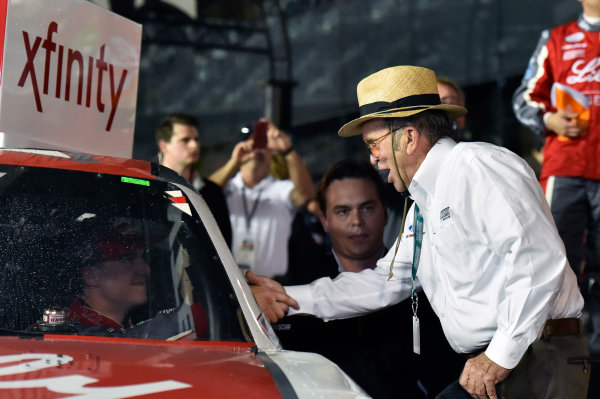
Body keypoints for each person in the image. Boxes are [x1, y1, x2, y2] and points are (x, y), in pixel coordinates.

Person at [249, 65, 589, 398]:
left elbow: (537, 262)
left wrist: (497, 357)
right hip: (508, 358)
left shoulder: (477, 166)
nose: (373, 160)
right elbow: (385, 282)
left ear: (409, 137)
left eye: (373, 144)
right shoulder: (424, 202)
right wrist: (286, 298)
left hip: (533, 357)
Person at [275, 159, 462, 398]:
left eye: (367, 208)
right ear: (324, 220)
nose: (356, 221)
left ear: (385, 211)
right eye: (343, 211)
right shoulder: (295, 292)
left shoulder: (426, 283)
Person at [512, 0, 600, 353]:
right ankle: (555, 354)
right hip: (565, 168)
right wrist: (548, 119)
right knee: (554, 260)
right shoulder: (556, 38)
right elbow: (523, 99)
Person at [209, 118, 315, 278]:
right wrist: (233, 162)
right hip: (230, 285)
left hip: (274, 285)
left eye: (262, 144)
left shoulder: (281, 189)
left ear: (272, 154)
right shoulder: (227, 188)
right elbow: (202, 196)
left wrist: (287, 150)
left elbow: (304, 196)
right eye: (250, 144)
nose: (256, 150)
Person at [156, 113, 232, 247]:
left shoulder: (212, 192)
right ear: (164, 146)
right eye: (185, 140)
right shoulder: (147, 186)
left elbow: (223, 244)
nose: (194, 145)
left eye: (196, 139)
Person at [67, 227, 150, 332]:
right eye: (127, 259)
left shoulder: (75, 330)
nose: (146, 269)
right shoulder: (69, 337)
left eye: (142, 258)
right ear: (91, 276)